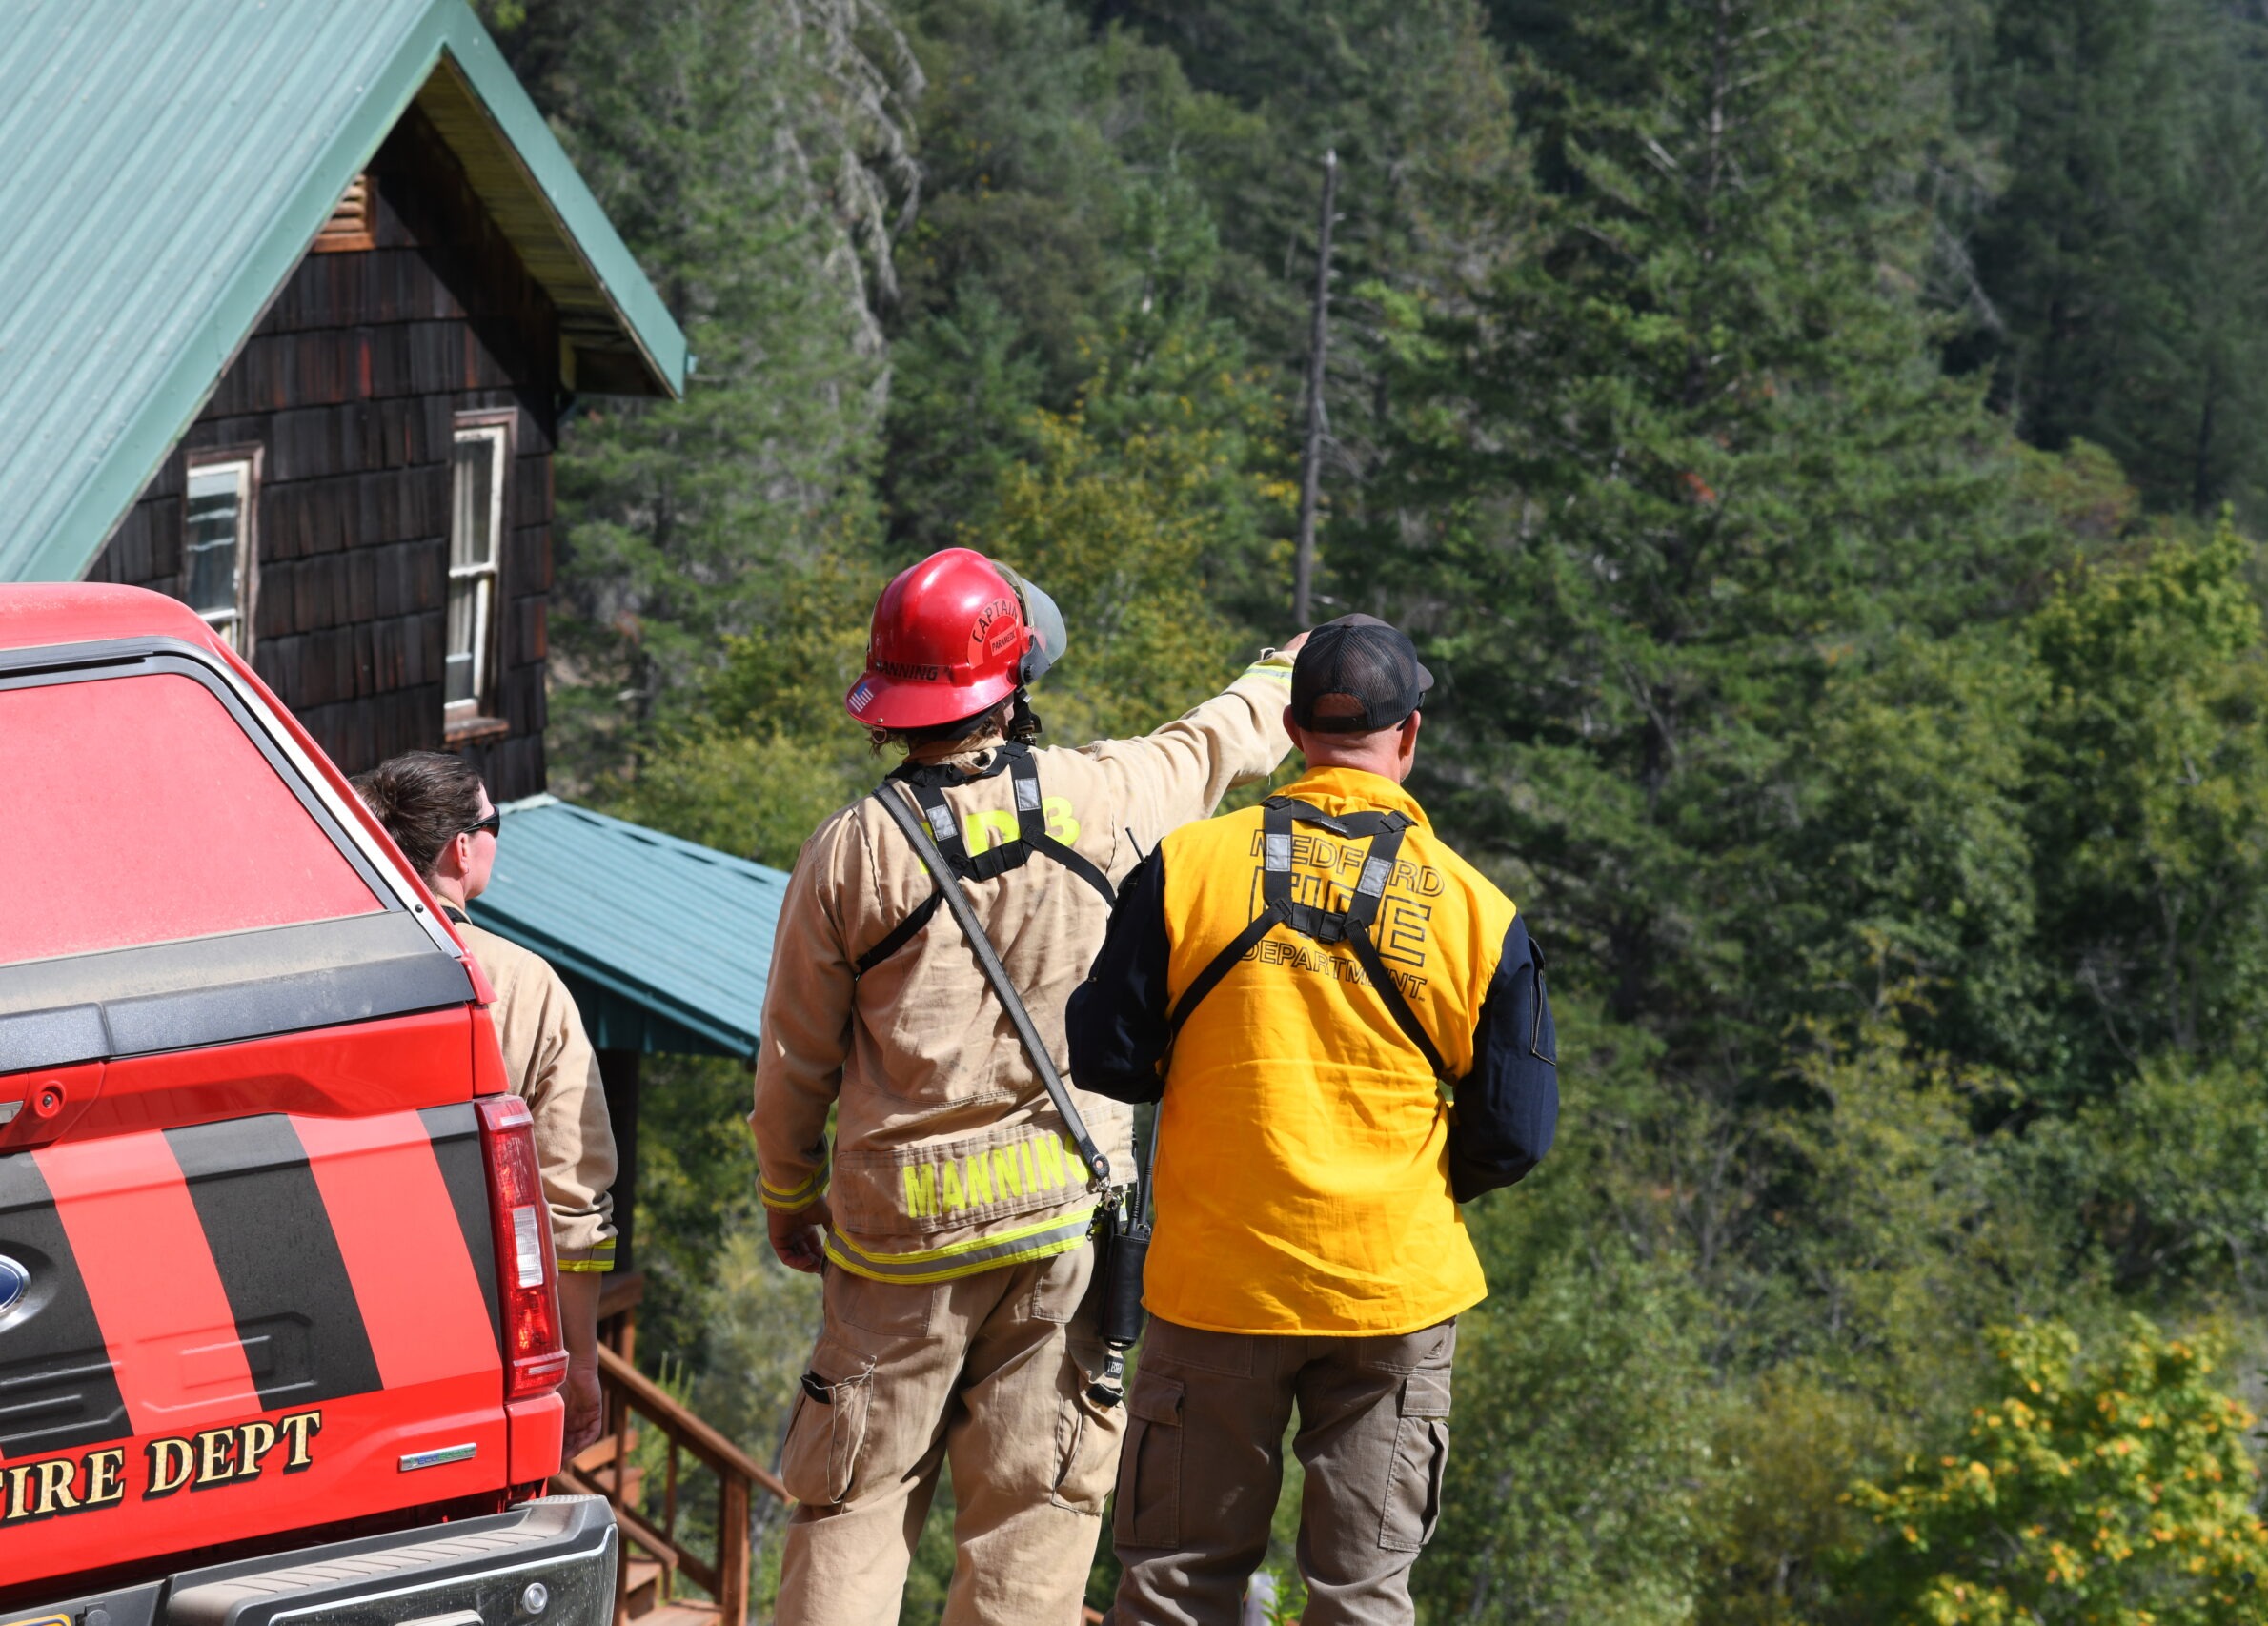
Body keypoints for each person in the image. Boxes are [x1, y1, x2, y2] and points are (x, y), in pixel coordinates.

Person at [754, 545, 1305, 1626]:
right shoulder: (1108, 796)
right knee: (1031, 1521)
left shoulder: (856, 850)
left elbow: (794, 1059)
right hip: (1063, 1222)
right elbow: (1215, 741)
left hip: (895, 1238)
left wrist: (787, 1191)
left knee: (851, 1503)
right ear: (1014, 684)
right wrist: (1282, 671)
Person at [1065, 614, 1559, 1626]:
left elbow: (1108, 1056)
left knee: (1172, 1587)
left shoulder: (1187, 867)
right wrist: (1404, 1179)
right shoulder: (1479, 910)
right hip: (1391, 1291)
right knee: (1361, 1595)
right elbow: (1514, 1130)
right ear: (1409, 735)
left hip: (1215, 1284)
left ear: (1290, 727)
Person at [352, 752, 618, 1461]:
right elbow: (572, 1195)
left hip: (329, 1322)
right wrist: (582, 1365)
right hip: (473, 1335)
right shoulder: (524, 987)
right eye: (494, 824)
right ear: (460, 847)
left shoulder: (308, 972)